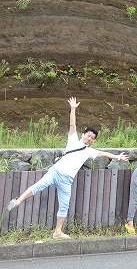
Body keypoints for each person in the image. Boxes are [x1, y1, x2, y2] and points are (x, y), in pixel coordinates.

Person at [4, 97, 128, 239]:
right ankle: (18, 201)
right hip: (56, 172)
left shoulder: (90, 151)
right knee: (38, 186)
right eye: (89, 135)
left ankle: (57, 232)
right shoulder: (73, 139)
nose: (90, 139)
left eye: (92, 138)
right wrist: (73, 109)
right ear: (84, 134)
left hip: (67, 180)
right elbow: (72, 125)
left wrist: (118, 157)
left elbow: (104, 153)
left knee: (64, 206)